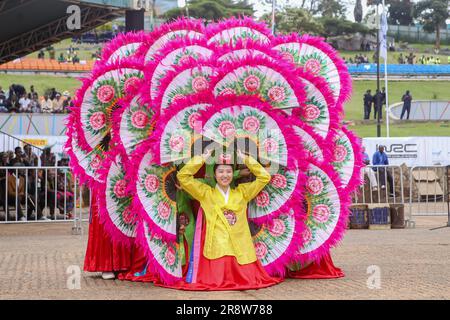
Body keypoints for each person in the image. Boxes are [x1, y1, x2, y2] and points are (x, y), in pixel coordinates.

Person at [157, 149, 281, 290]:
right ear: (215, 175)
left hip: (240, 250)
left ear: (232, 174)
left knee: (248, 281)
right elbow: (183, 177)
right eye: (221, 172)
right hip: (216, 250)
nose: (225, 175)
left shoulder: (242, 193)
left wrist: (246, 159)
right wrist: (201, 158)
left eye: (228, 172)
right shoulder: (205, 193)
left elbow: (264, 177)